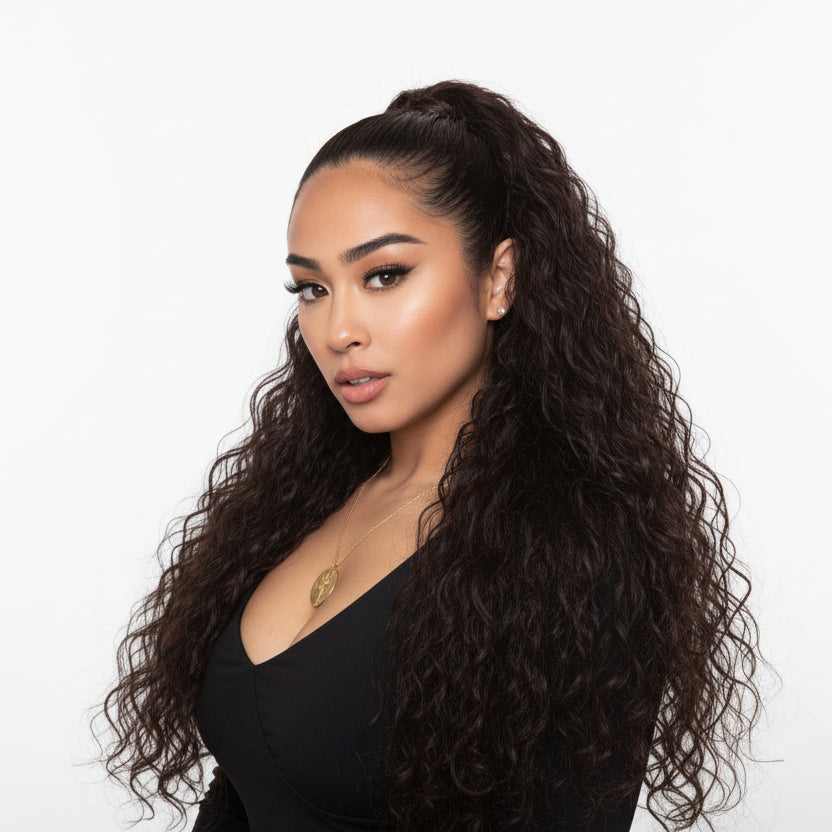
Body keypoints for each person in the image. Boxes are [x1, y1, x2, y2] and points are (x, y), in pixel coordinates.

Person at [91, 80, 767, 832]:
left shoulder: (578, 553)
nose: (337, 330)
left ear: (499, 279)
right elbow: (244, 794)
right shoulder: (297, 508)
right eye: (312, 288)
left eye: (384, 275)